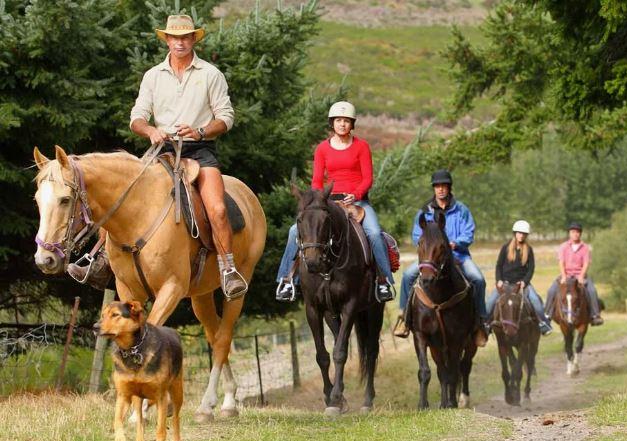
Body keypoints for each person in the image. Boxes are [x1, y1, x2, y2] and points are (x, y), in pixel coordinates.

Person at [68, 15, 246, 299]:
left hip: (200, 150)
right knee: (120, 196)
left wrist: (200, 131)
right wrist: (150, 130)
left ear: (193, 39)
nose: (180, 42)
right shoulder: (152, 75)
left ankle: (228, 269)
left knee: (218, 209)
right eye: (175, 37)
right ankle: (97, 259)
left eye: (185, 37)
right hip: (161, 150)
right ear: (167, 40)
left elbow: (226, 117)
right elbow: (137, 117)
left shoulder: (211, 74)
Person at [275, 101, 395, 302]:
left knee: (374, 233)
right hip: (329, 202)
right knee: (294, 231)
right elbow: (316, 180)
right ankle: (287, 280)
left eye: (346, 120)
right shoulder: (322, 148)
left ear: (352, 124)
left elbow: (368, 178)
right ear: (332, 123)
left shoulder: (362, 146)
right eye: (338, 120)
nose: (342, 124)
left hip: (357, 202)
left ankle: (383, 281)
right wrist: (319, 198)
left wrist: (355, 194)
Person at [393, 170, 487, 346]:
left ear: (449, 188)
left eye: (444, 186)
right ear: (434, 188)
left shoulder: (462, 210)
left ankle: (480, 322)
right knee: (407, 276)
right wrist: (430, 245)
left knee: (478, 279)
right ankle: (404, 318)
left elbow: (469, 232)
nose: (440, 189)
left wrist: (455, 243)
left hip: (458, 256)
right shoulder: (424, 211)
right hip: (431, 259)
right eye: (437, 186)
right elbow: (416, 235)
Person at [485, 220, 552, 335]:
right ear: (515, 233)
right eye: (519, 233)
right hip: (505, 283)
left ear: (526, 235)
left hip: (521, 284)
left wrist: (525, 282)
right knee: (490, 302)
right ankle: (485, 324)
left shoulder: (528, 249)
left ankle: (543, 323)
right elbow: (499, 265)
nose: (521, 235)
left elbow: (531, 268)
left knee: (535, 300)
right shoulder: (506, 247)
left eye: (524, 234)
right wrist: (499, 280)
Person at [545, 222, 604, 326]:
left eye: (577, 232)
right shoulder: (563, 247)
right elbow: (561, 262)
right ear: (569, 233)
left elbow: (586, 263)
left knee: (592, 290)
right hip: (566, 275)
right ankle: (547, 315)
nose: (575, 234)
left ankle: (595, 315)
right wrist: (563, 276)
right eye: (573, 232)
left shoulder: (585, 247)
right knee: (551, 290)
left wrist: (581, 275)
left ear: (580, 234)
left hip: (580, 275)